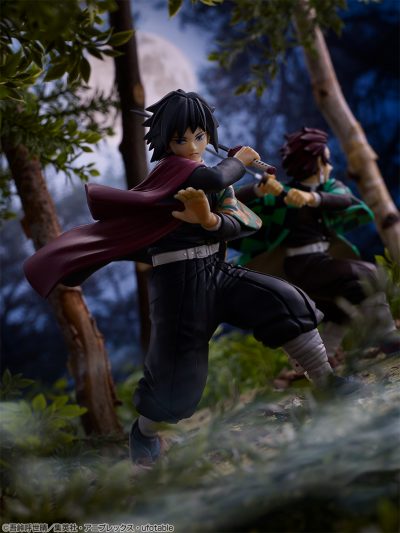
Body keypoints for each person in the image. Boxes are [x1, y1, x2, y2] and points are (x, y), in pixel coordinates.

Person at [24, 94, 350, 466]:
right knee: (178, 384)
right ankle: (144, 434)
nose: (193, 147)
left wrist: (214, 217)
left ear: (209, 135)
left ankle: (327, 382)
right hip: (179, 288)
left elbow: (233, 215)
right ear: (166, 142)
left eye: (200, 136)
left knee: (282, 300)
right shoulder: (173, 171)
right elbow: (214, 177)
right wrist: (240, 161)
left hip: (216, 272)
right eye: (182, 139)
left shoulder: (201, 174)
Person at [234, 127, 398, 362]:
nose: (329, 167)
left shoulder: (327, 188)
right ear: (315, 163)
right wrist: (258, 191)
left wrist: (313, 198)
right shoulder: (280, 196)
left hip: (322, 260)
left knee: (343, 303)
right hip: (300, 266)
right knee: (368, 274)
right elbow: (234, 201)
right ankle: (387, 337)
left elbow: (345, 200)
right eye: (326, 161)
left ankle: (327, 356)